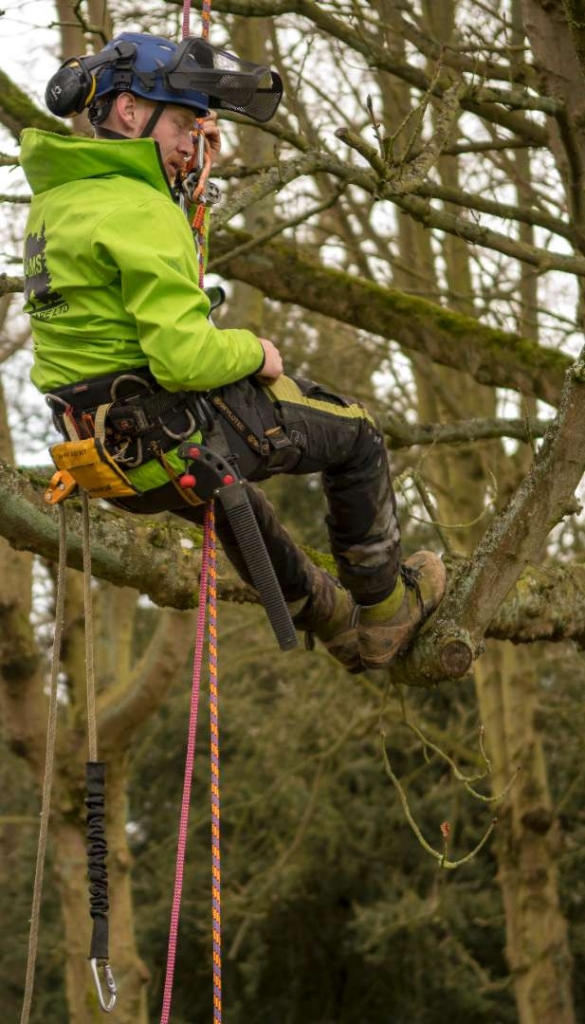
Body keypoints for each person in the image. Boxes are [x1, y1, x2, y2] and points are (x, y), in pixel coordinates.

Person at [20, 31, 446, 673]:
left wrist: (190, 202)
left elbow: (163, 285)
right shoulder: (139, 208)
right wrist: (256, 352)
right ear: (132, 111)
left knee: (233, 504)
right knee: (356, 436)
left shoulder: (57, 203)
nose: (193, 142)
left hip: (105, 459)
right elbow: (185, 358)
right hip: (171, 433)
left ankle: (337, 623)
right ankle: (387, 615)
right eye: (186, 124)